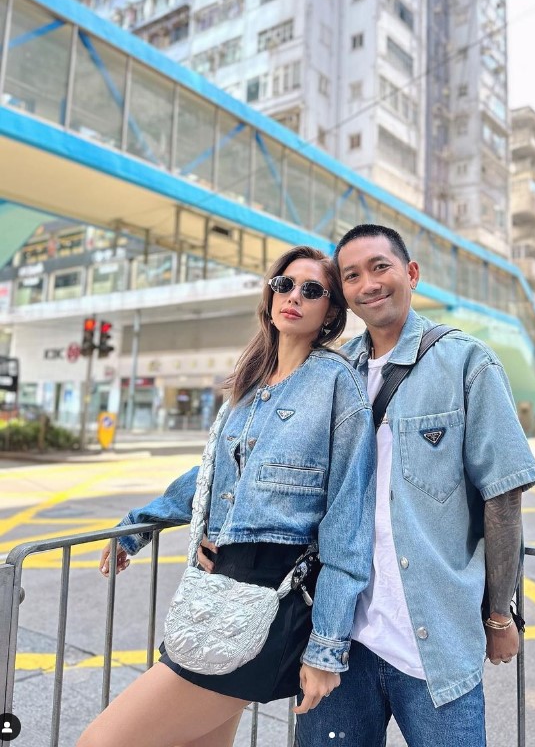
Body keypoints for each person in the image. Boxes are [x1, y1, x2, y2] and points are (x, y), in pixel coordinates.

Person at [77, 246, 376, 747]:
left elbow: (348, 519)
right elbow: (214, 476)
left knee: (100, 742)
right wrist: (137, 527)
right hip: (218, 590)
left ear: (330, 312)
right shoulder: (251, 383)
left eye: (312, 290)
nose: (294, 297)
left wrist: (326, 648)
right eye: (284, 284)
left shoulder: (337, 383)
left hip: (275, 596)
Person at [296, 225, 535, 747]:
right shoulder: (335, 372)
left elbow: (503, 497)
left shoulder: (466, 362)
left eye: (380, 267)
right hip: (339, 639)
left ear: (411, 273)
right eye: (352, 276)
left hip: (435, 645)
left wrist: (500, 616)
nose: (368, 284)